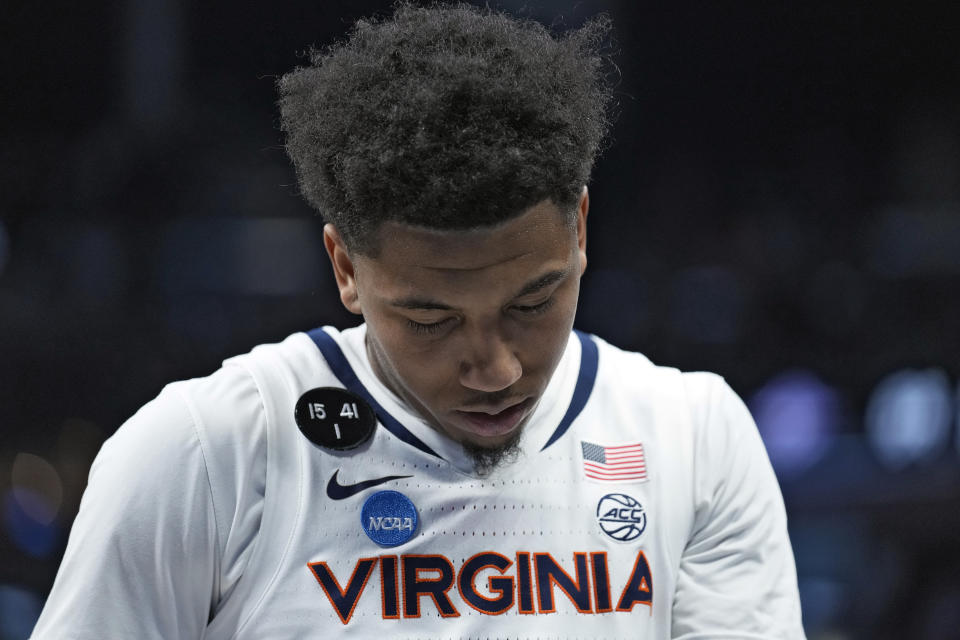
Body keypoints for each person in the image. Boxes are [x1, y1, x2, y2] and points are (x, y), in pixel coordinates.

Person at [31, 3, 805, 638]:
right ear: (345, 269)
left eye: (532, 304)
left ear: (580, 231)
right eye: (432, 319)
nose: (496, 367)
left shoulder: (693, 436)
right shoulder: (202, 455)